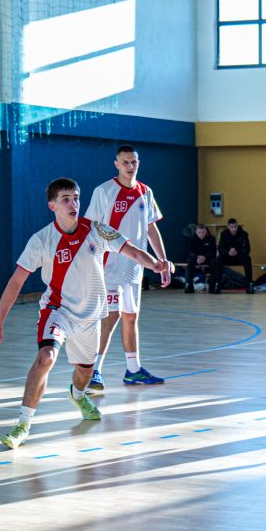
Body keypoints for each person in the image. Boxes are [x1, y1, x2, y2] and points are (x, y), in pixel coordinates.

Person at [0, 178, 170, 449]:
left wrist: (156, 264)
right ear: (52, 206)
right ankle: (23, 424)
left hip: (91, 317)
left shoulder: (97, 230)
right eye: (66, 199)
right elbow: (16, 281)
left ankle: (78, 395)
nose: (73, 204)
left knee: (85, 373)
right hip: (57, 310)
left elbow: (132, 251)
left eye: (76, 198)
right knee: (46, 357)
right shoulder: (41, 240)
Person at [84, 145, 170, 389]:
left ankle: (133, 370)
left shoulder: (145, 191)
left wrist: (162, 260)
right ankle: (93, 371)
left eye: (134, 162)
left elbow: (151, 227)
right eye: (125, 162)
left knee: (131, 316)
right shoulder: (104, 191)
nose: (130, 166)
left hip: (135, 269)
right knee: (110, 317)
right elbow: (90, 229)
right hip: (109, 268)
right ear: (117, 164)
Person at [210, 218, 254, 295]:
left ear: (237, 226)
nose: (233, 229)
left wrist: (237, 252)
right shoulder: (223, 234)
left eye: (235, 226)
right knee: (218, 260)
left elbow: (247, 249)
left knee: (247, 259)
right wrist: (228, 252)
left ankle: (249, 285)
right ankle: (217, 285)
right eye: (231, 227)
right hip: (227, 256)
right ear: (228, 227)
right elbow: (220, 249)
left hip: (239, 257)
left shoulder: (244, 234)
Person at [184, 223, 217, 293]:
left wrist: (205, 257)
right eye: (199, 232)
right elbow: (190, 251)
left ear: (206, 231)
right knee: (189, 261)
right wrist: (197, 257)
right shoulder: (192, 239)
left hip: (208, 258)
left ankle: (212, 286)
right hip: (196, 258)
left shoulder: (211, 239)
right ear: (196, 232)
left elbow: (213, 252)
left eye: (203, 232)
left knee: (214, 262)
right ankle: (189, 286)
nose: (201, 234)